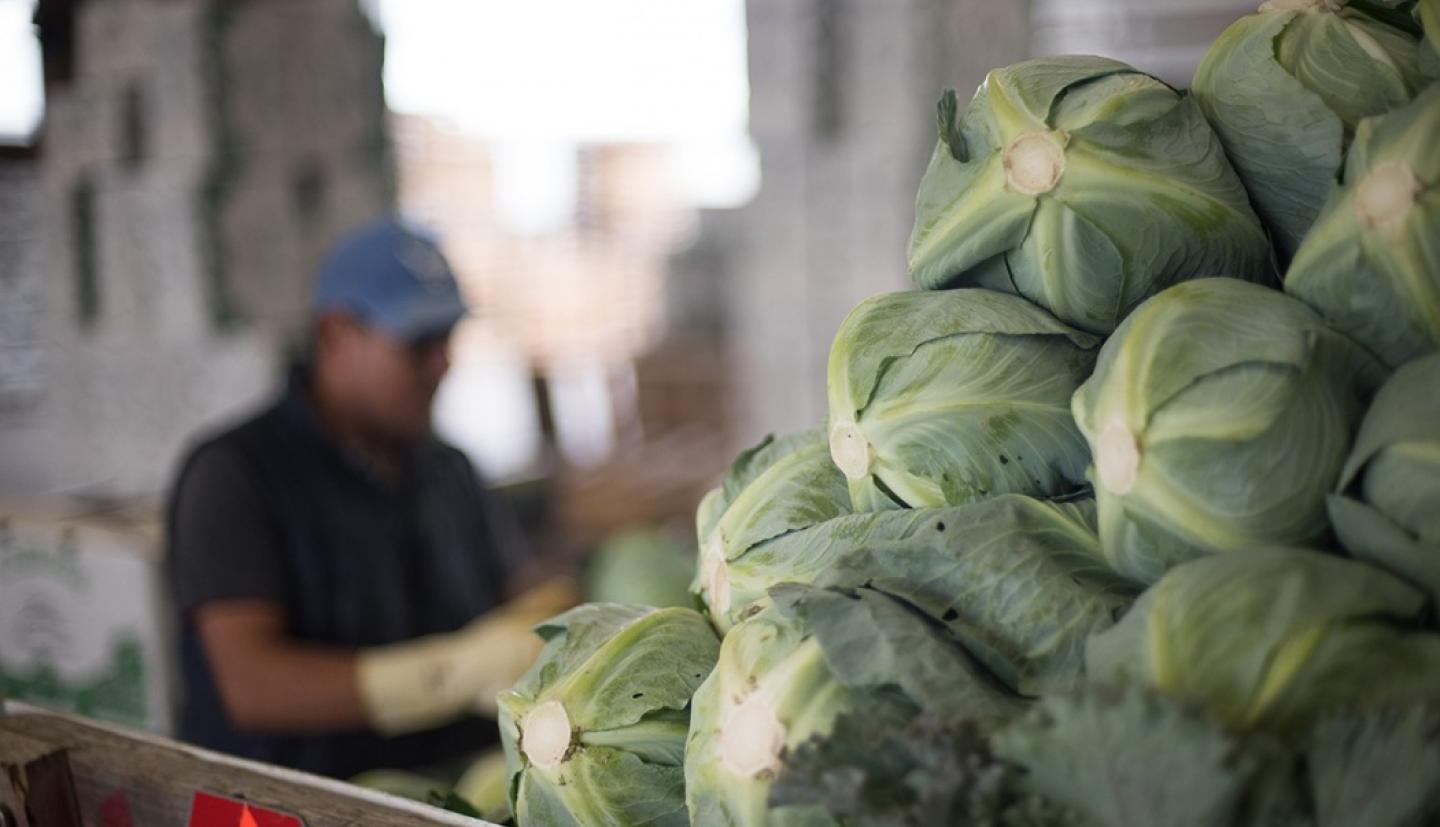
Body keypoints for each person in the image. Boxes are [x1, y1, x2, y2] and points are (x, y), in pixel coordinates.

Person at [166, 217, 571, 779]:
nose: (443, 363)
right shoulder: (235, 475)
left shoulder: (448, 471)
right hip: (289, 805)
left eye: (448, 339)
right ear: (336, 334)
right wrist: (449, 674)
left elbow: (516, 589)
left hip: (450, 792)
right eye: (419, 343)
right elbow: (251, 685)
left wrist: (560, 611)